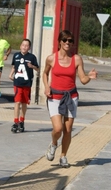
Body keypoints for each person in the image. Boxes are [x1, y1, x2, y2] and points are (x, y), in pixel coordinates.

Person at [42, 30, 98, 168]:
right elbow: (45, 73)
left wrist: (90, 77)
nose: (68, 43)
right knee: (58, 128)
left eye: (70, 41)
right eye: (65, 40)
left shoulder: (77, 59)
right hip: (54, 96)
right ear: (60, 42)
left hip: (71, 97)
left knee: (68, 129)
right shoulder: (51, 58)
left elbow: (83, 80)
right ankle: (54, 144)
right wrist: (46, 86)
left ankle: (63, 156)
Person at [9, 38, 39, 133]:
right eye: (23, 45)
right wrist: (11, 74)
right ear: (20, 46)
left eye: (26, 46)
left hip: (27, 83)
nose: (24, 47)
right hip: (17, 83)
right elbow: (14, 66)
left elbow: (38, 69)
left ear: (29, 47)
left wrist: (32, 66)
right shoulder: (16, 55)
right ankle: (15, 121)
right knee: (17, 102)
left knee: (24, 103)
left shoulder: (32, 57)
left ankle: (22, 120)